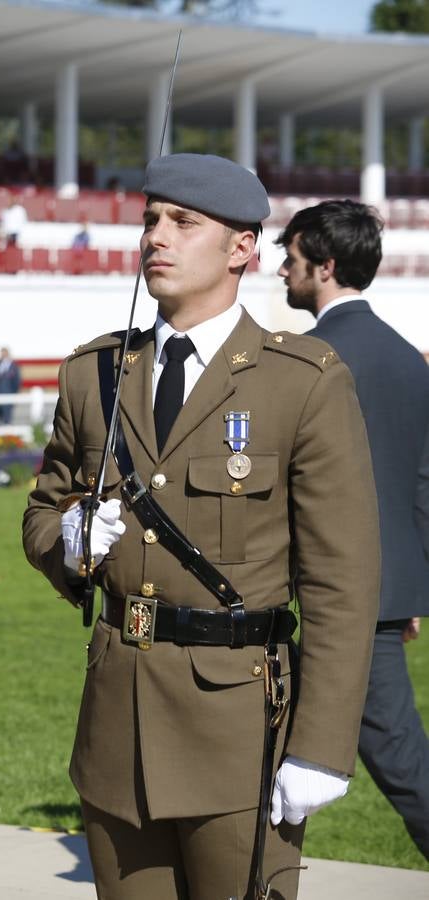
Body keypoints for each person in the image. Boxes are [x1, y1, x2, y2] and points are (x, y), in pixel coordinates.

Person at [23, 153, 380, 900]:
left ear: (242, 248)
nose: (156, 236)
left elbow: (340, 584)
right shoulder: (94, 373)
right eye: (150, 219)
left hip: (237, 730)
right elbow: (40, 510)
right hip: (116, 724)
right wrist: (69, 542)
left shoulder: (300, 381)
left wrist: (318, 747)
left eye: (183, 222)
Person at [277, 199, 429, 859]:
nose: (279, 272)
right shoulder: (406, 357)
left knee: (399, 759)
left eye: (289, 260)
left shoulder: (308, 360)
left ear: (324, 265)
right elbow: (418, 483)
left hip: (338, 593)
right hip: (383, 589)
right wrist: (411, 590)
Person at [0, 347, 21, 425]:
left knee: (7, 420)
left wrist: (13, 395)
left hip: (8, 396)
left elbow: (16, 383)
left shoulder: (13, 367)